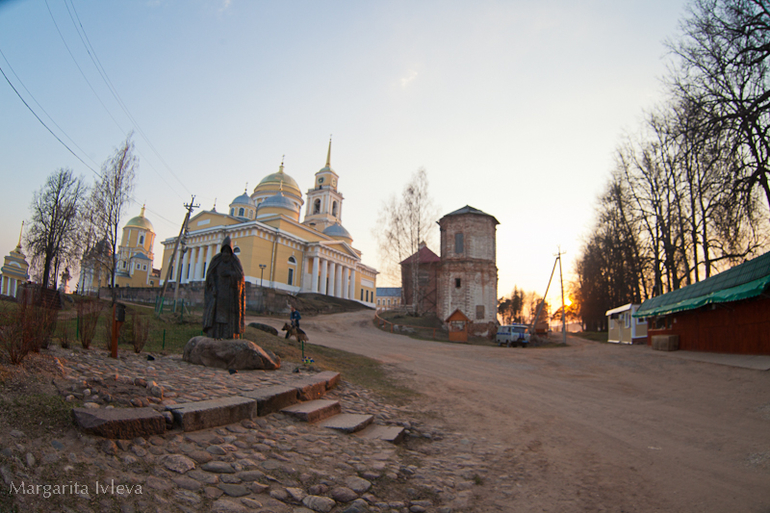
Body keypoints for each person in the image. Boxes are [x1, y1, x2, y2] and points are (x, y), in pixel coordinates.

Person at [203, 237, 245, 339]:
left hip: (230, 297)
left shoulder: (235, 262)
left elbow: (240, 276)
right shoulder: (216, 260)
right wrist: (213, 286)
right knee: (216, 316)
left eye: (228, 252)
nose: (226, 255)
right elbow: (210, 274)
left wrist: (230, 274)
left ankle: (229, 335)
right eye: (224, 252)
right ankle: (215, 334)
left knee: (228, 318)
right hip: (218, 294)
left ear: (230, 253)